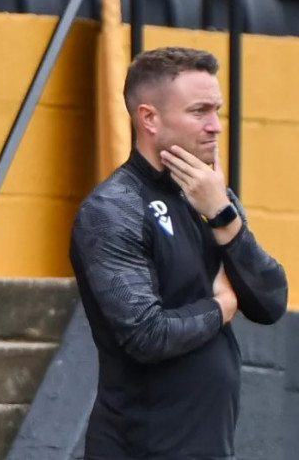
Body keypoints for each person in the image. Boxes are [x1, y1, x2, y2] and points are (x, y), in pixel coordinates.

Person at [69, 46, 288, 460]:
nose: (215, 127)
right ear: (149, 118)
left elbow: (271, 302)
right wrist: (222, 305)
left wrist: (223, 215)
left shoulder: (208, 197)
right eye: (199, 111)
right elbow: (146, 335)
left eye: (217, 110)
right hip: (142, 449)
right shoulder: (113, 208)